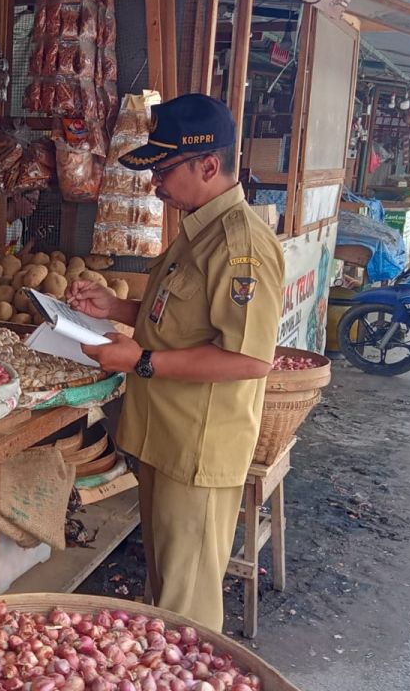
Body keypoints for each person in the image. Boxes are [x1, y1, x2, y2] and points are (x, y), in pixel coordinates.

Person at [67, 94, 284, 631]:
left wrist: (140, 360)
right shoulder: (196, 231)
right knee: (164, 587)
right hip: (168, 437)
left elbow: (249, 359)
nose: (154, 184)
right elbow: (180, 318)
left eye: (164, 170)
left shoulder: (242, 247)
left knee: (187, 603)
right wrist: (117, 308)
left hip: (199, 449)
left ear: (208, 165)